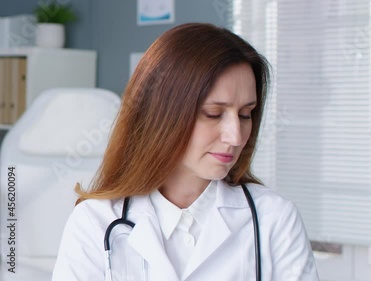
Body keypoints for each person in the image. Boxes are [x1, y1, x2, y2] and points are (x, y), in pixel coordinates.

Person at [52, 23, 319, 281]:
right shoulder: (94, 222)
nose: (236, 136)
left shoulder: (274, 218)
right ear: (161, 113)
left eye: (245, 114)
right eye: (213, 114)